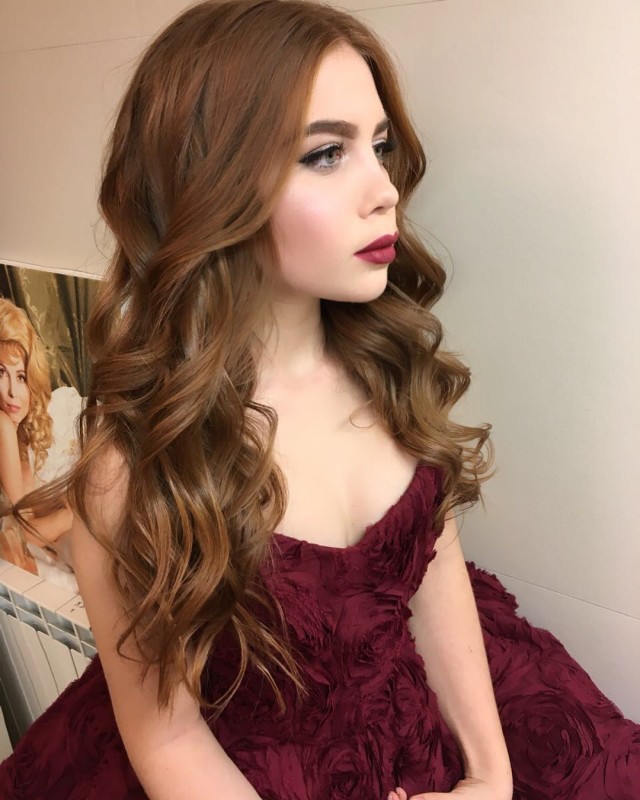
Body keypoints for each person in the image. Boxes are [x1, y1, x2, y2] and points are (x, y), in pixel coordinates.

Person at [1, 2, 638, 799]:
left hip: (421, 726)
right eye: (327, 153)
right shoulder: (133, 464)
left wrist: (489, 776)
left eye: (380, 146)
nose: (385, 191)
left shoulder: (388, 368)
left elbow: (437, 567)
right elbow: (168, 738)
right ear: (210, 185)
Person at [0, 298, 73, 570]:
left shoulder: (20, 433)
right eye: (0, 372)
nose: (12, 391)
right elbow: (20, 536)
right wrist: (68, 518)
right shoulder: (2, 425)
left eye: (20, 376)